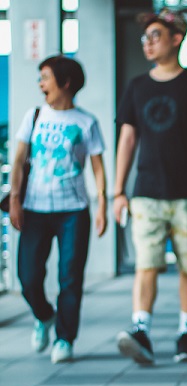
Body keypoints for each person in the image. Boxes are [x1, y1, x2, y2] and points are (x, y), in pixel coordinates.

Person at [113, 9, 187, 364]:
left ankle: (186, 333)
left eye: (155, 36)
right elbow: (127, 139)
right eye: (144, 38)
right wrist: (117, 191)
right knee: (146, 264)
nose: (147, 43)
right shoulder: (137, 86)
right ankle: (141, 330)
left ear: (176, 38)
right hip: (146, 192)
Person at [9, 55, 107, 364]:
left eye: (46, 78)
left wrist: (102, 203)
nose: (41, 84)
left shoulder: (86, 122)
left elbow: (97, 168)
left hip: (73, 211)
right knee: (28, 276)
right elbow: (19, 159)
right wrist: (14, 199)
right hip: (35, 208)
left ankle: (65, 338)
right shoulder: (34, 115)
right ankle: (44, 315)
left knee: (70, 277)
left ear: (65, 82)